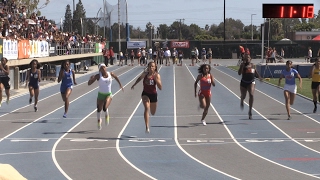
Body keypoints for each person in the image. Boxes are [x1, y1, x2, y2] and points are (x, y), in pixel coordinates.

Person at [88, 63, 124, 130]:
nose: (103, 69)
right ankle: (99, 122)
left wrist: (120, 85)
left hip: (108, 94)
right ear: (100, 70)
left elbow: (116, 77)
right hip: (100, 95)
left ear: (106, 67)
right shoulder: (98, 76)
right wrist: (91, 79)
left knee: (104, 108)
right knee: (99, 109)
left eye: (104, 67)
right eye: (101, 68)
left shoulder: (111, 74)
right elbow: (89, 84)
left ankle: (107, 115)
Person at [131, 61, 162, 133]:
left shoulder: (157, 75)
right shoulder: (145, 74)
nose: (151, 68)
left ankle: (147, 124)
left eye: (152, 66)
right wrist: (134, 84)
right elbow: (139, 78)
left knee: (153, 112)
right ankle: (147, 126)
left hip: (153, 95)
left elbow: (160, 87)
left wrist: (156, 80)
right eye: (150, 66)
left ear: (155, 68)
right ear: (148, 67)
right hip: (145, 94)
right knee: (146, 107)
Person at [238, 54, 262, 120]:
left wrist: (259, 77)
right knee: (243, 96)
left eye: (249, 57)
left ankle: (250, 111)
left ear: (251, 59)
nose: (248, 59)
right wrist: (242, 67)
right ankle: (242, 100)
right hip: (244, 82)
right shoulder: (243, 65)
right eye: (246, 58)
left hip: (251, 82)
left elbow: (255, 72)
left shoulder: (253, 65)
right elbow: (239, 73)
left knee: (251, 95)